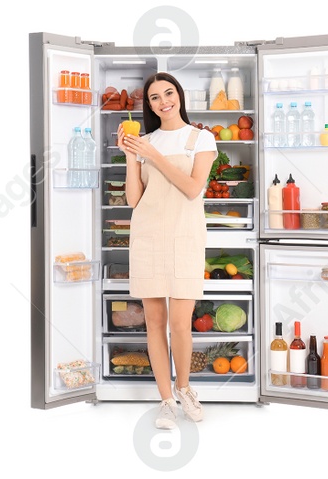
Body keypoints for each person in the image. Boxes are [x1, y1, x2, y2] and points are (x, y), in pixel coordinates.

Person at [118, 72, 219, 430]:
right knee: (155, 322)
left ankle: (185, 388)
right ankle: (165, 401)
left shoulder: (200, 138)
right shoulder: (143, 140)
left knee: (179, 323)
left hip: (185, 237)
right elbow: (134, 200)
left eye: (169, 93)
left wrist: (153, 155)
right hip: (147, 237)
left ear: (179, 96)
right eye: (155, 97)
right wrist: (131, 157)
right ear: (149, 105)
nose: (164, 101)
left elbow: (193, 189)